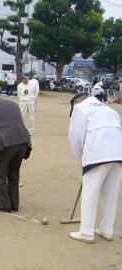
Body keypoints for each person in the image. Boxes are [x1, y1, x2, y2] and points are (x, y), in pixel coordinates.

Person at [68, 94, 122, 244]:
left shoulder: (80, 108)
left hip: (97, 154)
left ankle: (86, 232)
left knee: (90, 192)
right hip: (118, 153)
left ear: (77, 102)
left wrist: (81, 158)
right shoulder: (110, 110)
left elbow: (75, 136)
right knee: (110, 193)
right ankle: (107, 229)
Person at [0, 95, 32, 212]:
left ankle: (3, 205)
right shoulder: (13, 104)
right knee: (13, 174)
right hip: (23, 140)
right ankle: (14, 204)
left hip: (6, 142)